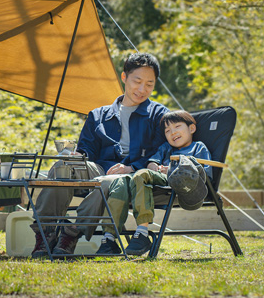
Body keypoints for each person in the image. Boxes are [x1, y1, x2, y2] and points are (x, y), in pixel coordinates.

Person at [31, 52, 169, 258]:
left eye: (149, 84)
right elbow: (87, 151)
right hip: (101, 168)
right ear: (124, 77)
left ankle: (71, 233)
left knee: (106, 183)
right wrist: (77, 155)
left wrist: (132, 167)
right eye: (137, 81)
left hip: (134, 175)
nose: (142, 89)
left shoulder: (159, 114)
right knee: (63, 166)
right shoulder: (98, 115)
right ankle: (45, 232)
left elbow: (161, 151)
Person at [95, 110, 212, 256]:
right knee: (121, 182)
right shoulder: (165, 147)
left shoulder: (198, 147)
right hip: (157, 182)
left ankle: (142, 233)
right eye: (167, 131)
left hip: (180, 184)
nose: (173, 132)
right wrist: (154, 166)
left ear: (192, 128)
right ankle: (109, 238)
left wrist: (173, 170)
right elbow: (151, 162)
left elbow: (204, 173)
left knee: (142, 174)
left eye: (177, 127)